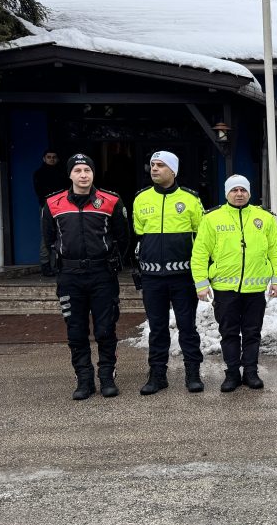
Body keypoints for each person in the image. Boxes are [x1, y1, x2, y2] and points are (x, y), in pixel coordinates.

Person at [42, 153, 131, 400]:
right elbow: (49, 239)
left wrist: (112, 260)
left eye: (87, 170)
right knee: (76, 331)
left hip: (102, 275)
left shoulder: (110, 201)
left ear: (93, 173)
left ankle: (107, 377)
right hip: (70, 276)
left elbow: (123, 237)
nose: (83, 175)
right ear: (70, 174)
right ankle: (84, 380)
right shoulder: (53, 203)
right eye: (78, 170)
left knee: (105, 329)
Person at [191, 175, 277, 393]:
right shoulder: (212, 218)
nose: (239, 194)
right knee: (229, 333)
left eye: (243, 190)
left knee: (252, 333)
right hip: (225, 290)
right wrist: (201, 284)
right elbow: (200, 253)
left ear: (249, 193)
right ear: (227, 193)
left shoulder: (265, 218)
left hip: (255, 290)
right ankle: (232, 373)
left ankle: (251, 372)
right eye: (234, 190)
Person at [133, 150, 205, 395]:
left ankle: (193, 373)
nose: (154, 169)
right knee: (157, 328)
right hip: (152, 278)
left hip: (183, 277)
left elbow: (202, 238)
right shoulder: (141, 198)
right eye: (152, 164)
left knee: (187, 327)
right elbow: (139, 233)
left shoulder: (191, 199)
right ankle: (157, 375)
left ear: (173, 171)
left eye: (161, 165)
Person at [34, 148, 66, 277]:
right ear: (44, 158)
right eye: (49, 157)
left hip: (62, 207)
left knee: (63, 234)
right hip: (46, 207)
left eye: (54, 157)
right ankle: (46, 265)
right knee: (46, 236)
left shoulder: (62, 173)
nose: (51, 159)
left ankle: (58, 265)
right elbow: (40, 192)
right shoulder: (39, 174)